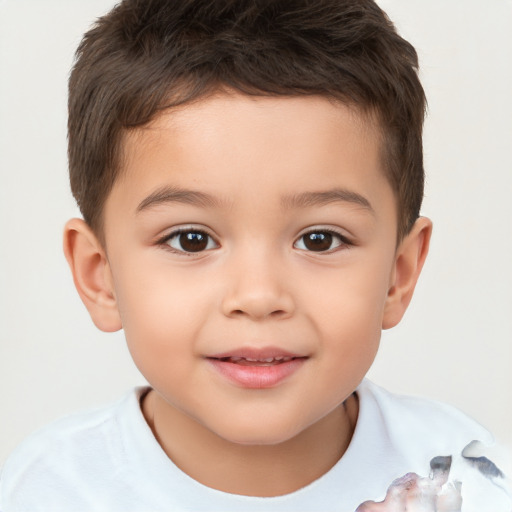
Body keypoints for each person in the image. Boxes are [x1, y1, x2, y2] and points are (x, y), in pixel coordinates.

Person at [0, 0, 510, 510]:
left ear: (399, 275)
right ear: (100, 275)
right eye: (191, 239)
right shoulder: (48, 490)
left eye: (320, 239)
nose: (259, 296)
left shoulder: (468, 483)